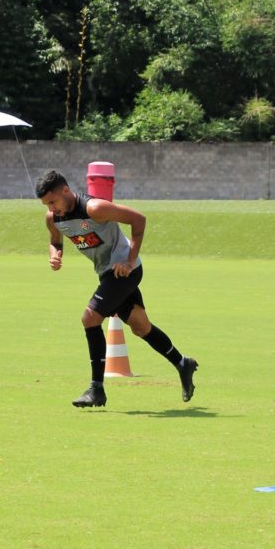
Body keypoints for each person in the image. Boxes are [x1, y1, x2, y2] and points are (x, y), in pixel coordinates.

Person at [35, 170, 198, 408]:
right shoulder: (53, 218)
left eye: (52, 201)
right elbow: (55, 240)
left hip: (125, 271)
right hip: (107, 274)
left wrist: (130, 260)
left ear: (66, 191)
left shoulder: (95, 209)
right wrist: (55, 255)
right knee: (141, 327)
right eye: (46, 204)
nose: (51, 208)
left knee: (90, 318)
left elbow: (139, 219)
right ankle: (183, 363)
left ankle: (96, 389)